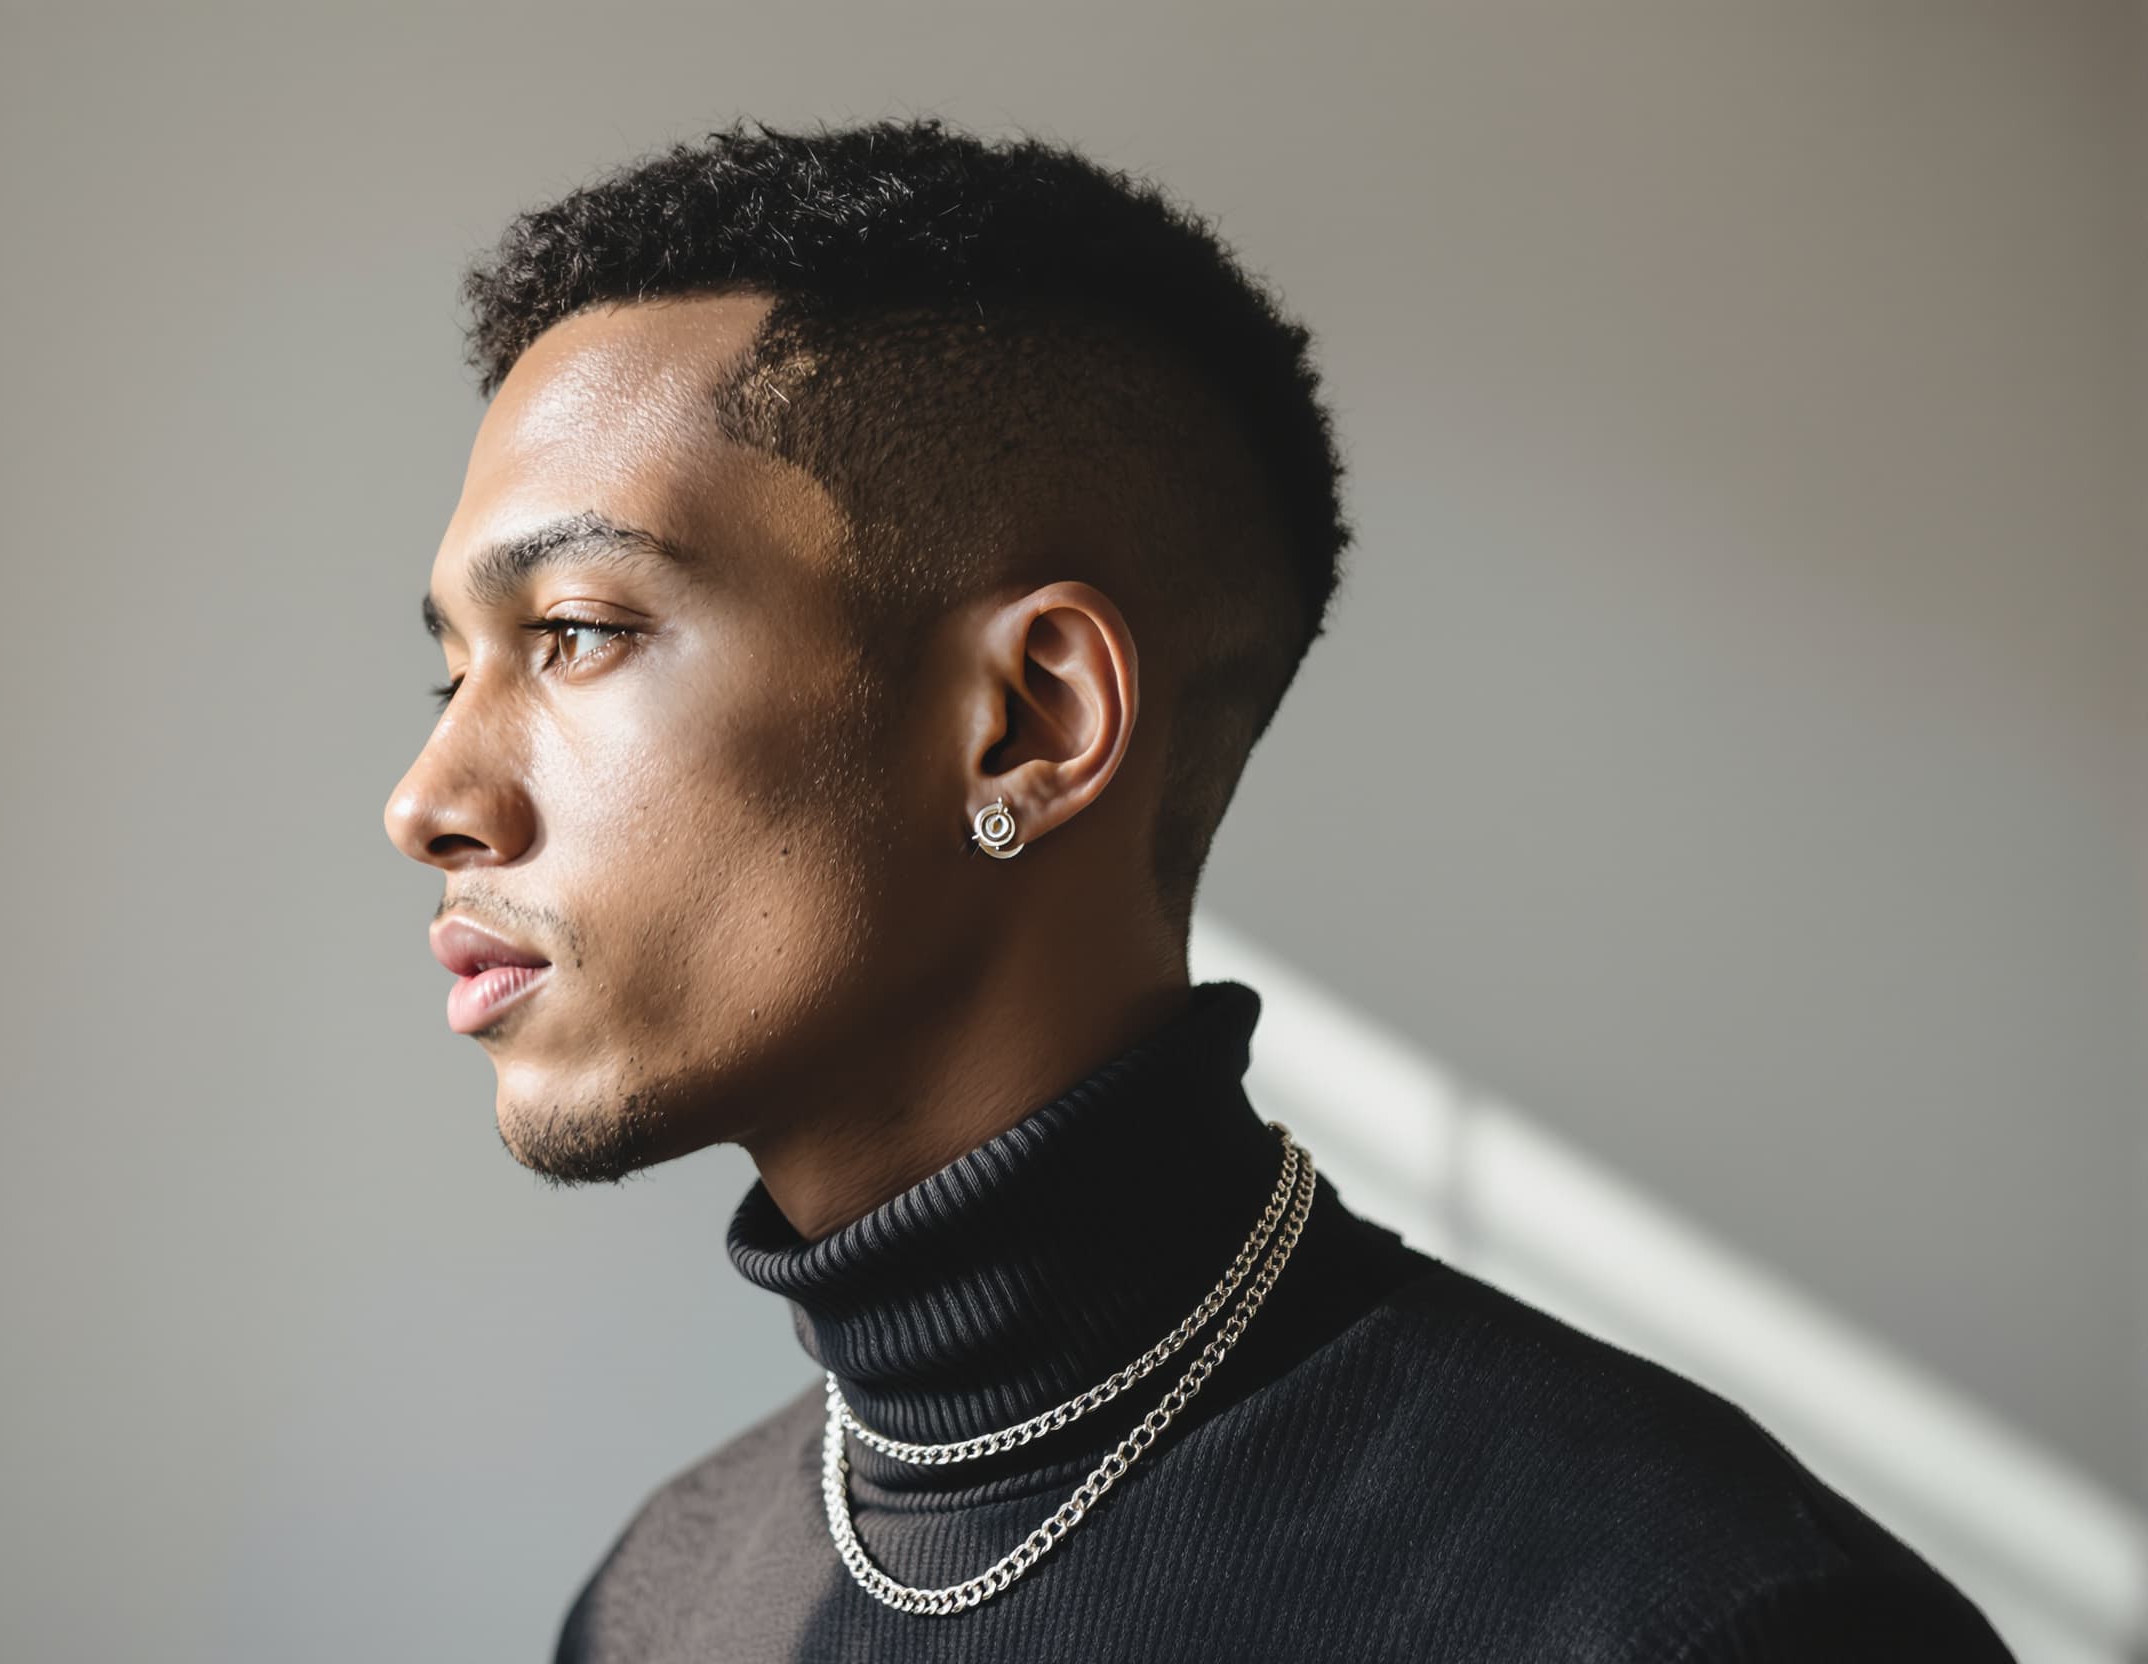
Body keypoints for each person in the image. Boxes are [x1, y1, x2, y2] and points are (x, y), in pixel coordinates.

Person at [381, 114, 2011, 1662]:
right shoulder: (661, 1602)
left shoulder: (1702, 1613)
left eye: (575, 633)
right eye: (453, 671)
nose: (427, 801)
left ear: (1031, 724)